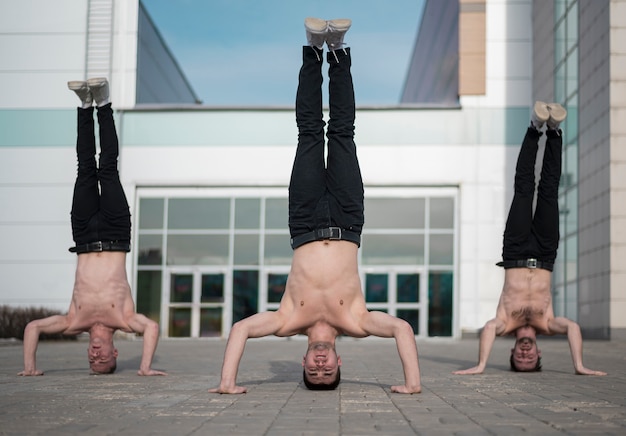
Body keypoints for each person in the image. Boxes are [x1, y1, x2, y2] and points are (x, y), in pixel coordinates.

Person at [209, 18, 422, 394]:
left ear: (302, 363)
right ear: (340, 362)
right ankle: (337, 50)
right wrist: (413, 384)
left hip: (304, 222)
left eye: (313, 372)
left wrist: (227, 383)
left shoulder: (287, 320)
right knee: (341, 132)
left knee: (309, 133)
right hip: (348, 219)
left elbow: (241, 329)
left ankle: (312, 50)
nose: (320, 367)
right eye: (327, 372)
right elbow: (402, 329)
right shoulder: (356, 322)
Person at [18, 78, 166, 376]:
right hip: (116, 233)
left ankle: (85, 104)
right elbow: (151, 327)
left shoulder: (74, 322)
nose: (95, 356)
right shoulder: (125, 320)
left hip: (84, 234)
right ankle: (104, 102)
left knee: (85, 167)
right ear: (115, 352)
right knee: (108, 166)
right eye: (104, 360)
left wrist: (30, 368)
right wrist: (145, 367)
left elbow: (33, 327)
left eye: (91, 361)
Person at [453, 102, 606, 376]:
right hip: (546, 254)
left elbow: (489, 329)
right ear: (538, 352)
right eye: (530, 359)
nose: (525, 354)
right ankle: (555, 132)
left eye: (519, 359)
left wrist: (481, 365)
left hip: (514, 251)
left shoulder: (505, 323)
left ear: (511, 352)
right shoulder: (548, 323)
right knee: (549, 191)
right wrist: (579, 365)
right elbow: (572, 328)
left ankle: (535, 128)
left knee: (524, 188)